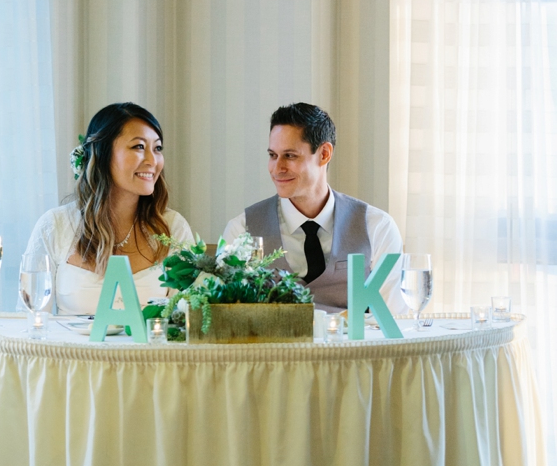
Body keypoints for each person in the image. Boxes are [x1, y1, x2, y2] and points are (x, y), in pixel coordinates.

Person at [222, 103, 404, 314]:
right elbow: (227, 318)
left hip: (352, 347)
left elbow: (393, 319)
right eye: (273, 155)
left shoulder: (377, 227)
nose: (277, 168)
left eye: (290, 156)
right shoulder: (241, 230)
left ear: (324, 154)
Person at [24, 102, 194, 314]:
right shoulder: (55, 226)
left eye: (157, 148)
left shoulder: (173, 228)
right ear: (102, 155)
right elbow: (31, 318)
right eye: (139, 147)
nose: (152, 160)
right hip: (68, 348)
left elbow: (189, 320)